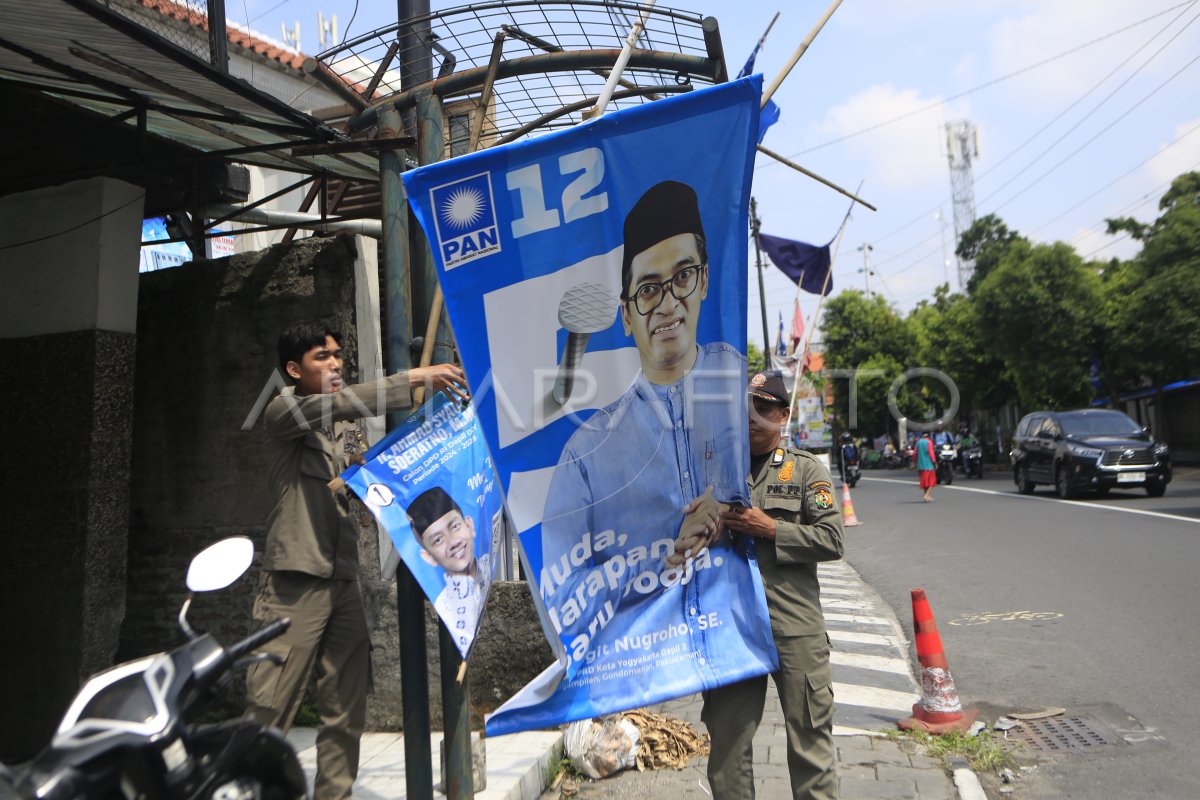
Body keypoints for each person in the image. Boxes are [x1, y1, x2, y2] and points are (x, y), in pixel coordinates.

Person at [245, 320, 467, 800]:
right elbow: (343, 401)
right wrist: (413, 379)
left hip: (342, 578)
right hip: (294, 581)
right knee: (269, 707)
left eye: (337, 355)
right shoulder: (284, 411)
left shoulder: (345, 427)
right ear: (292, 369)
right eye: (321, 357)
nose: (335, 363)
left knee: (345, 708)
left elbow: (366, 474)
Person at [539, 180, 751, 658]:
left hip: (733, 631)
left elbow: (774, 488)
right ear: (627, 315)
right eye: (648, 290)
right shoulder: (587, 451)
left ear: (706, 280)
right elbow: (562, 596)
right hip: (639, 665)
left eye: (682, 277)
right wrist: (659, 556)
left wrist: (726, 513)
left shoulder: (739, 387)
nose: (668, 303)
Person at [703, 371, 844, 800]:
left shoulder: (806, 470)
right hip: (732, 625)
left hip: (794, 626)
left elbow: (833, 540)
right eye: (745, 408)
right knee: (727, 744)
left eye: (763, 409)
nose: (752, 418)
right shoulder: (713, 470)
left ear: (783, 416)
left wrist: (772, 529)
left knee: (810, 740)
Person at [406, 486, 491, 653]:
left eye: (454, 527)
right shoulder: (443, 605)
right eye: (438, 540)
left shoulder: (491, 564)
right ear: (428, 557)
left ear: (469, 525)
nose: (453, 542)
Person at [916, 429, 938, 502]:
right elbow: (931, 453)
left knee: (925, 482)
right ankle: (926, 495)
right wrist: (934, 462)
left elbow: (914, 453)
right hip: (928, 465)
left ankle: (928, 496)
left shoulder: (918, 442)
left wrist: (915, 461)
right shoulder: (929, 442)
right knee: (931, 481)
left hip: (920, 465)